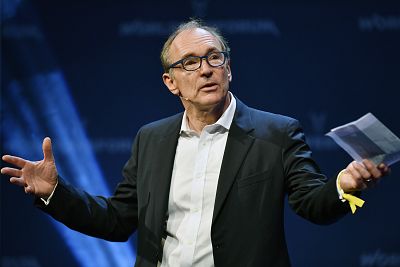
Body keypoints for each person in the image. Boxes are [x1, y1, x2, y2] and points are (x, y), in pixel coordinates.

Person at [1, 19, 390, 267]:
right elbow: (118, 221)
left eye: (213, 57)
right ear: (171, 82)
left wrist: (344, 187)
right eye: (189, 62)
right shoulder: (151, 139)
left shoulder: (276, 133)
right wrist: (56, 192)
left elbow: (311, 204)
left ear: (229, 69)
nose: (204, 68)